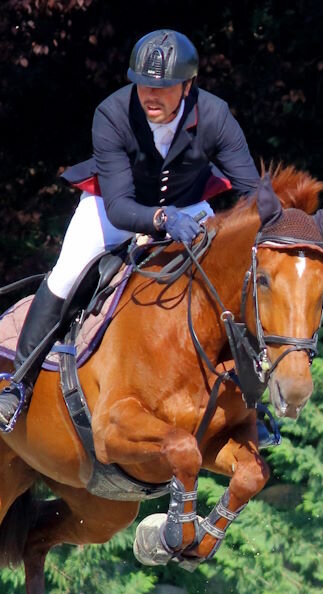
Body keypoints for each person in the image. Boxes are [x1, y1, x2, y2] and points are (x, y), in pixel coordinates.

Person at [0, 29, 280, 428]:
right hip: (114, 208)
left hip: (188, 206)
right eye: (145, 84)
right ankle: (20, 385)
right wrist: (162, 219)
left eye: (163, 87)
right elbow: (118, 207)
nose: (151, 94)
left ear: (187, 86)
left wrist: (285, 223)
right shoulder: (112, 113)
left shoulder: (215, 115)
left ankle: (252, 398)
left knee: (227, 276)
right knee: (67, 272)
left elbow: (252, 191)